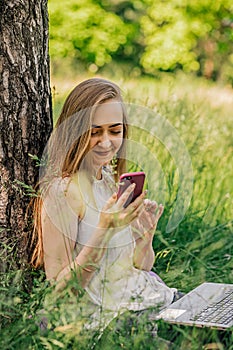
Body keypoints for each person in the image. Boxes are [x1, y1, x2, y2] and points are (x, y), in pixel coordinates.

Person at [31, 77, 177, 332]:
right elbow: (59, 294)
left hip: (139, 302)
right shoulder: (62, 192)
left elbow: (139, 267)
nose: (107, 142)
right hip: (102, 322)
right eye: (94, 132)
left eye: (115, 130)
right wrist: (104, 230)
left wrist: (145, 238)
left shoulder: (108, 180)